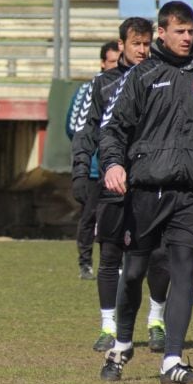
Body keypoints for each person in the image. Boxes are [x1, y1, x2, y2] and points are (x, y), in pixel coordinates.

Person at [99, 1, 193, 384]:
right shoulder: (141, 76)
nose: (188, 37)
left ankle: (172, 360)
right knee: (135, 271)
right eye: (180, 30)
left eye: (191, 31)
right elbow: (113, 129)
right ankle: (121, 345)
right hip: (145, 192)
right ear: (162, 32)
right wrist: (113, 164)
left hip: (191, 194)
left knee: (183, 276)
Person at [72, 17, 170, 353]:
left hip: (151, 183)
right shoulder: (102, 84)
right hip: (112, 184)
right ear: (121, 46)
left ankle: (156, 321)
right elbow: (87, 130)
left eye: (146, 44)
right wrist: (81, 172)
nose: (143, 50)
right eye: (136, 44)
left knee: (158, 255)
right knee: (110, 254)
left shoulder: (161, 78)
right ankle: (108, 327)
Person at [67, 40, 121, 280]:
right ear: (102, 63)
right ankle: (85, 263)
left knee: (112, 217)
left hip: (116, 167)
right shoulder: (87, 90)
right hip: (92, 168)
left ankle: (110, 264)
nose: (115, 66)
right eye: (111, 62)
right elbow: (74, 126)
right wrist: (90, 153)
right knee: (89, 216)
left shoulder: (128, 86)